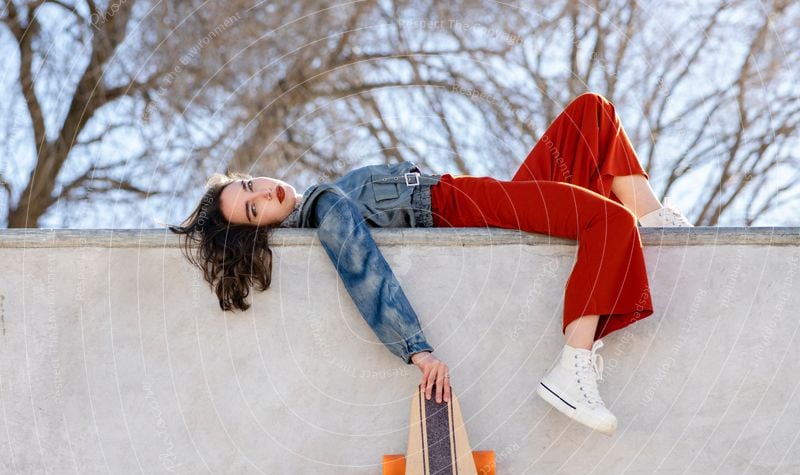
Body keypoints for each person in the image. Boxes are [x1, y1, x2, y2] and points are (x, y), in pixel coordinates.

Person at [169, 92, 692, 437]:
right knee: (608, 222)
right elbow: (362, 268)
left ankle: (657, 222)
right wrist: (416, 349)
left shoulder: (317, 194)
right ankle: (572, 369)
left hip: (470, 197)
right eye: (253, 209)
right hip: (463, 210)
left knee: (591, 114)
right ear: (259, 230)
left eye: (248, 185)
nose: (264, 192)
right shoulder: (325, 209)